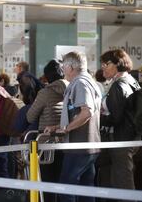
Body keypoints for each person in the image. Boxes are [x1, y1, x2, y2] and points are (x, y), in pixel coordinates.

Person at [45, 52, 101, 202]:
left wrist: (66, 129)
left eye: (64, 67)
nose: (62, 70)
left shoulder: (80, 83)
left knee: (66, 187)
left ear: (70, 67)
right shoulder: (90, 82)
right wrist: (57, 125)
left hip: (79, 147)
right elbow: (78, 113)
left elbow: (86, 112)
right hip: (89, 145)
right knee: (86, 188)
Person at [100, 49, 140, 200]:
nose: (102, 67)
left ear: (118, 64)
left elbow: (116, 117)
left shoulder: (118, 85)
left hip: (121, 139)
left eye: (106, 63)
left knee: (123, 182)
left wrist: (98, 119)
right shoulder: (132, 81)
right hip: (131, 137)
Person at [26, 59, 68, 202]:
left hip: (46, 144)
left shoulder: (45, 92)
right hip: (66, 141)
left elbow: (30, 116)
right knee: (62, 182)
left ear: (47, 76)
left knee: (47, 182)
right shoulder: (71, 88)